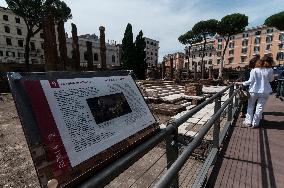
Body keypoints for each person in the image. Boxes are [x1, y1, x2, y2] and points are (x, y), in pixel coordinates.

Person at [242, 55, 274, 128]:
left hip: (253, 90)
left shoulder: (254, 70)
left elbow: (250, 81)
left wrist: (243, 83)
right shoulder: (270, 70)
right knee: (260, 107)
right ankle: (255, 123)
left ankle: (248, 122)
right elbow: (271, 80)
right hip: (265, 91)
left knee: (250, 106)